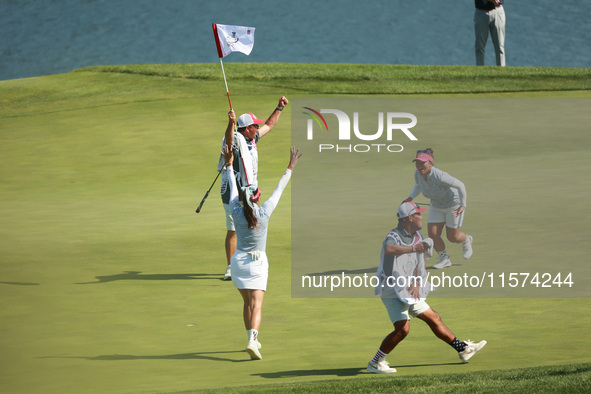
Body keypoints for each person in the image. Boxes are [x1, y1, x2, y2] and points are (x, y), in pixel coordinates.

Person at [367, 202, 486, 374]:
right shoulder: (393, 236)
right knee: (403, 329)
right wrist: (412, 249)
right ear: (409, 218)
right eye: (418, 214)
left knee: (433, 317)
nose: (422, 217)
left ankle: (462, 349)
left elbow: (419, 263)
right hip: (392, 289)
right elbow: (389, 249)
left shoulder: (418, 236)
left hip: (408, 288)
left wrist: (416, 281)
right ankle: (375, 362)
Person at [221, 144, 302, 360]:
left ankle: (252, 338)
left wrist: (230, 165)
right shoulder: (264, 212)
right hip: (257, 264)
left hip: (238, 263)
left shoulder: (237, 210)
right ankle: (252, 339)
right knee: (257, 304)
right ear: (257, 198)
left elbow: (233, 188)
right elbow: (279, 189)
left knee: (247, 302)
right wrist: (290, 166)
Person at [218, 97, 289, 280]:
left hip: (249, 190)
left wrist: (279, 108)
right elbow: (229, 139)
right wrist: (230, 123)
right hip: (233, 189)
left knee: (251, 222)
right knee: (233, 228)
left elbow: (270, 125)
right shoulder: (236, 139)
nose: (258, 128)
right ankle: (230, 267)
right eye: (254, 126)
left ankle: (247, 257)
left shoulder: (253, 138)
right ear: (246, 128)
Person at [403, 148, 473, 269]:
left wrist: (463, 205)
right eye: (417, 162)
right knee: (433, 234)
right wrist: (411, 197)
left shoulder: (440, 176)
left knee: (453, 237)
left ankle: (466, 240)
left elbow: (461, 186)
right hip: (436, 205)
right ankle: (444, 258)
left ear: (430, 163)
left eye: (422, 162)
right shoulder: (418, 174)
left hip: (454, 205)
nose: (419, 165)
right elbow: (418, 185)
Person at [474, 0, 506, 66]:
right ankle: (479, 72)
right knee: (479, 46)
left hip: (498, 11)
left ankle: (502, 73)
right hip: (481, 12)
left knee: (500, 46)